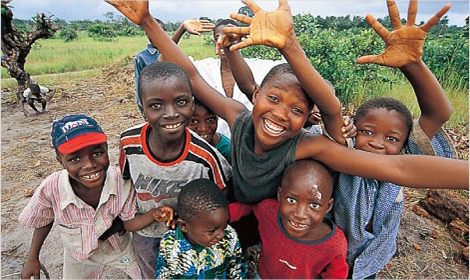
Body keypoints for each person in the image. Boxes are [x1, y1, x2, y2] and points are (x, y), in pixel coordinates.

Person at [107, 1, 467, 204]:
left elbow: (401, 170)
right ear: (255, 94)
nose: (281, 114)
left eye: (296, 109)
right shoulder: (238, 117)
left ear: (307, 116)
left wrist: (290, 45)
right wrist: (148, 22)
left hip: (285, 218)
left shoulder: (309, 147)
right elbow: (195, 78)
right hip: (238, 202)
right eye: (274, 99)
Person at [332, 1, 457, 278]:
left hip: (371, 259)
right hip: (331, 255)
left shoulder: (403, 160)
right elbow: (332, 131)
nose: (377, 143)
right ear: (355, 128)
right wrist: (340, 128)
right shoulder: (345, 154)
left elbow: (440, 113)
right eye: (367, 132)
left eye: (391, 138)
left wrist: (414, 65)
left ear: (404, 145)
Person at [18, 114, 175, 279]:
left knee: (144, 276)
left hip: (119, 249)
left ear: (107, 149)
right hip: (78, 254)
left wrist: (153, 214)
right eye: (75, 159)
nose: (90, 165)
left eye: (97, 153)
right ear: (60, 160)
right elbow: (44, 220)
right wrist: (32, 258)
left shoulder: (121, 182)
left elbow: (129, 223)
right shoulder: (51, 188)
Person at [119, 61, 232, 279]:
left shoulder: (205, 155)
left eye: (180, 102)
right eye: (156, 106)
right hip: (146, 232)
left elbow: (223, 193)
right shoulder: (129, 143)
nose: (170, 114)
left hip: (188, 236)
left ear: (191, 103)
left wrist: (190, 217)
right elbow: (126, 179)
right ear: (142, 109)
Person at [230, 159, 348, 279]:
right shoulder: (268, 211)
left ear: (328, 206)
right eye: (292, 200)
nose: (300, 214)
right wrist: (223, 216)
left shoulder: (334, 244)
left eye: (314, 205)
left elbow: (336, 275)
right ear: (279, 195)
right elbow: (247, 207)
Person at [155, 178, 246, 279]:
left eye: (224, 225)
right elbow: (163, 275)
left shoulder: (230, 237)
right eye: (212, 231)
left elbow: (236, 269)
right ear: (184, 226)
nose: (222, 234)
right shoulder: (170, 245)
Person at [134, 19, 215, 115]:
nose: (154, 35)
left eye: (159, 31)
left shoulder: (174, 53)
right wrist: (143, 109)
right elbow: (139, 85)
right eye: (150, 32)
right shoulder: (142, 57)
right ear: (146, 34)